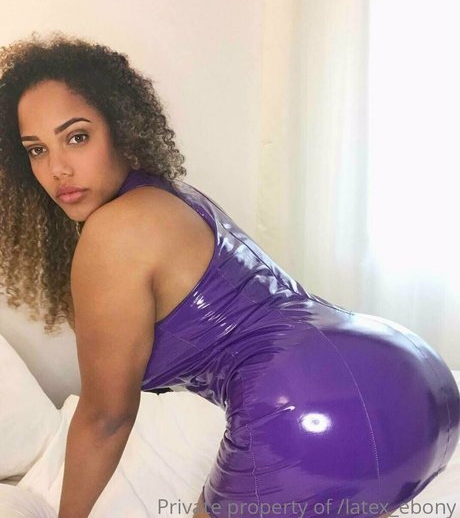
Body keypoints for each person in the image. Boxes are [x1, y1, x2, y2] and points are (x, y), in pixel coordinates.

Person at [0, 32, 458, 518]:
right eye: (36, 150)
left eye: (77, 137)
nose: (58, 169)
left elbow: (105, 418)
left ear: (120, 128)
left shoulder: (113, 233)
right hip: (413, 380)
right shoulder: (176, 197)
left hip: (312, 411)